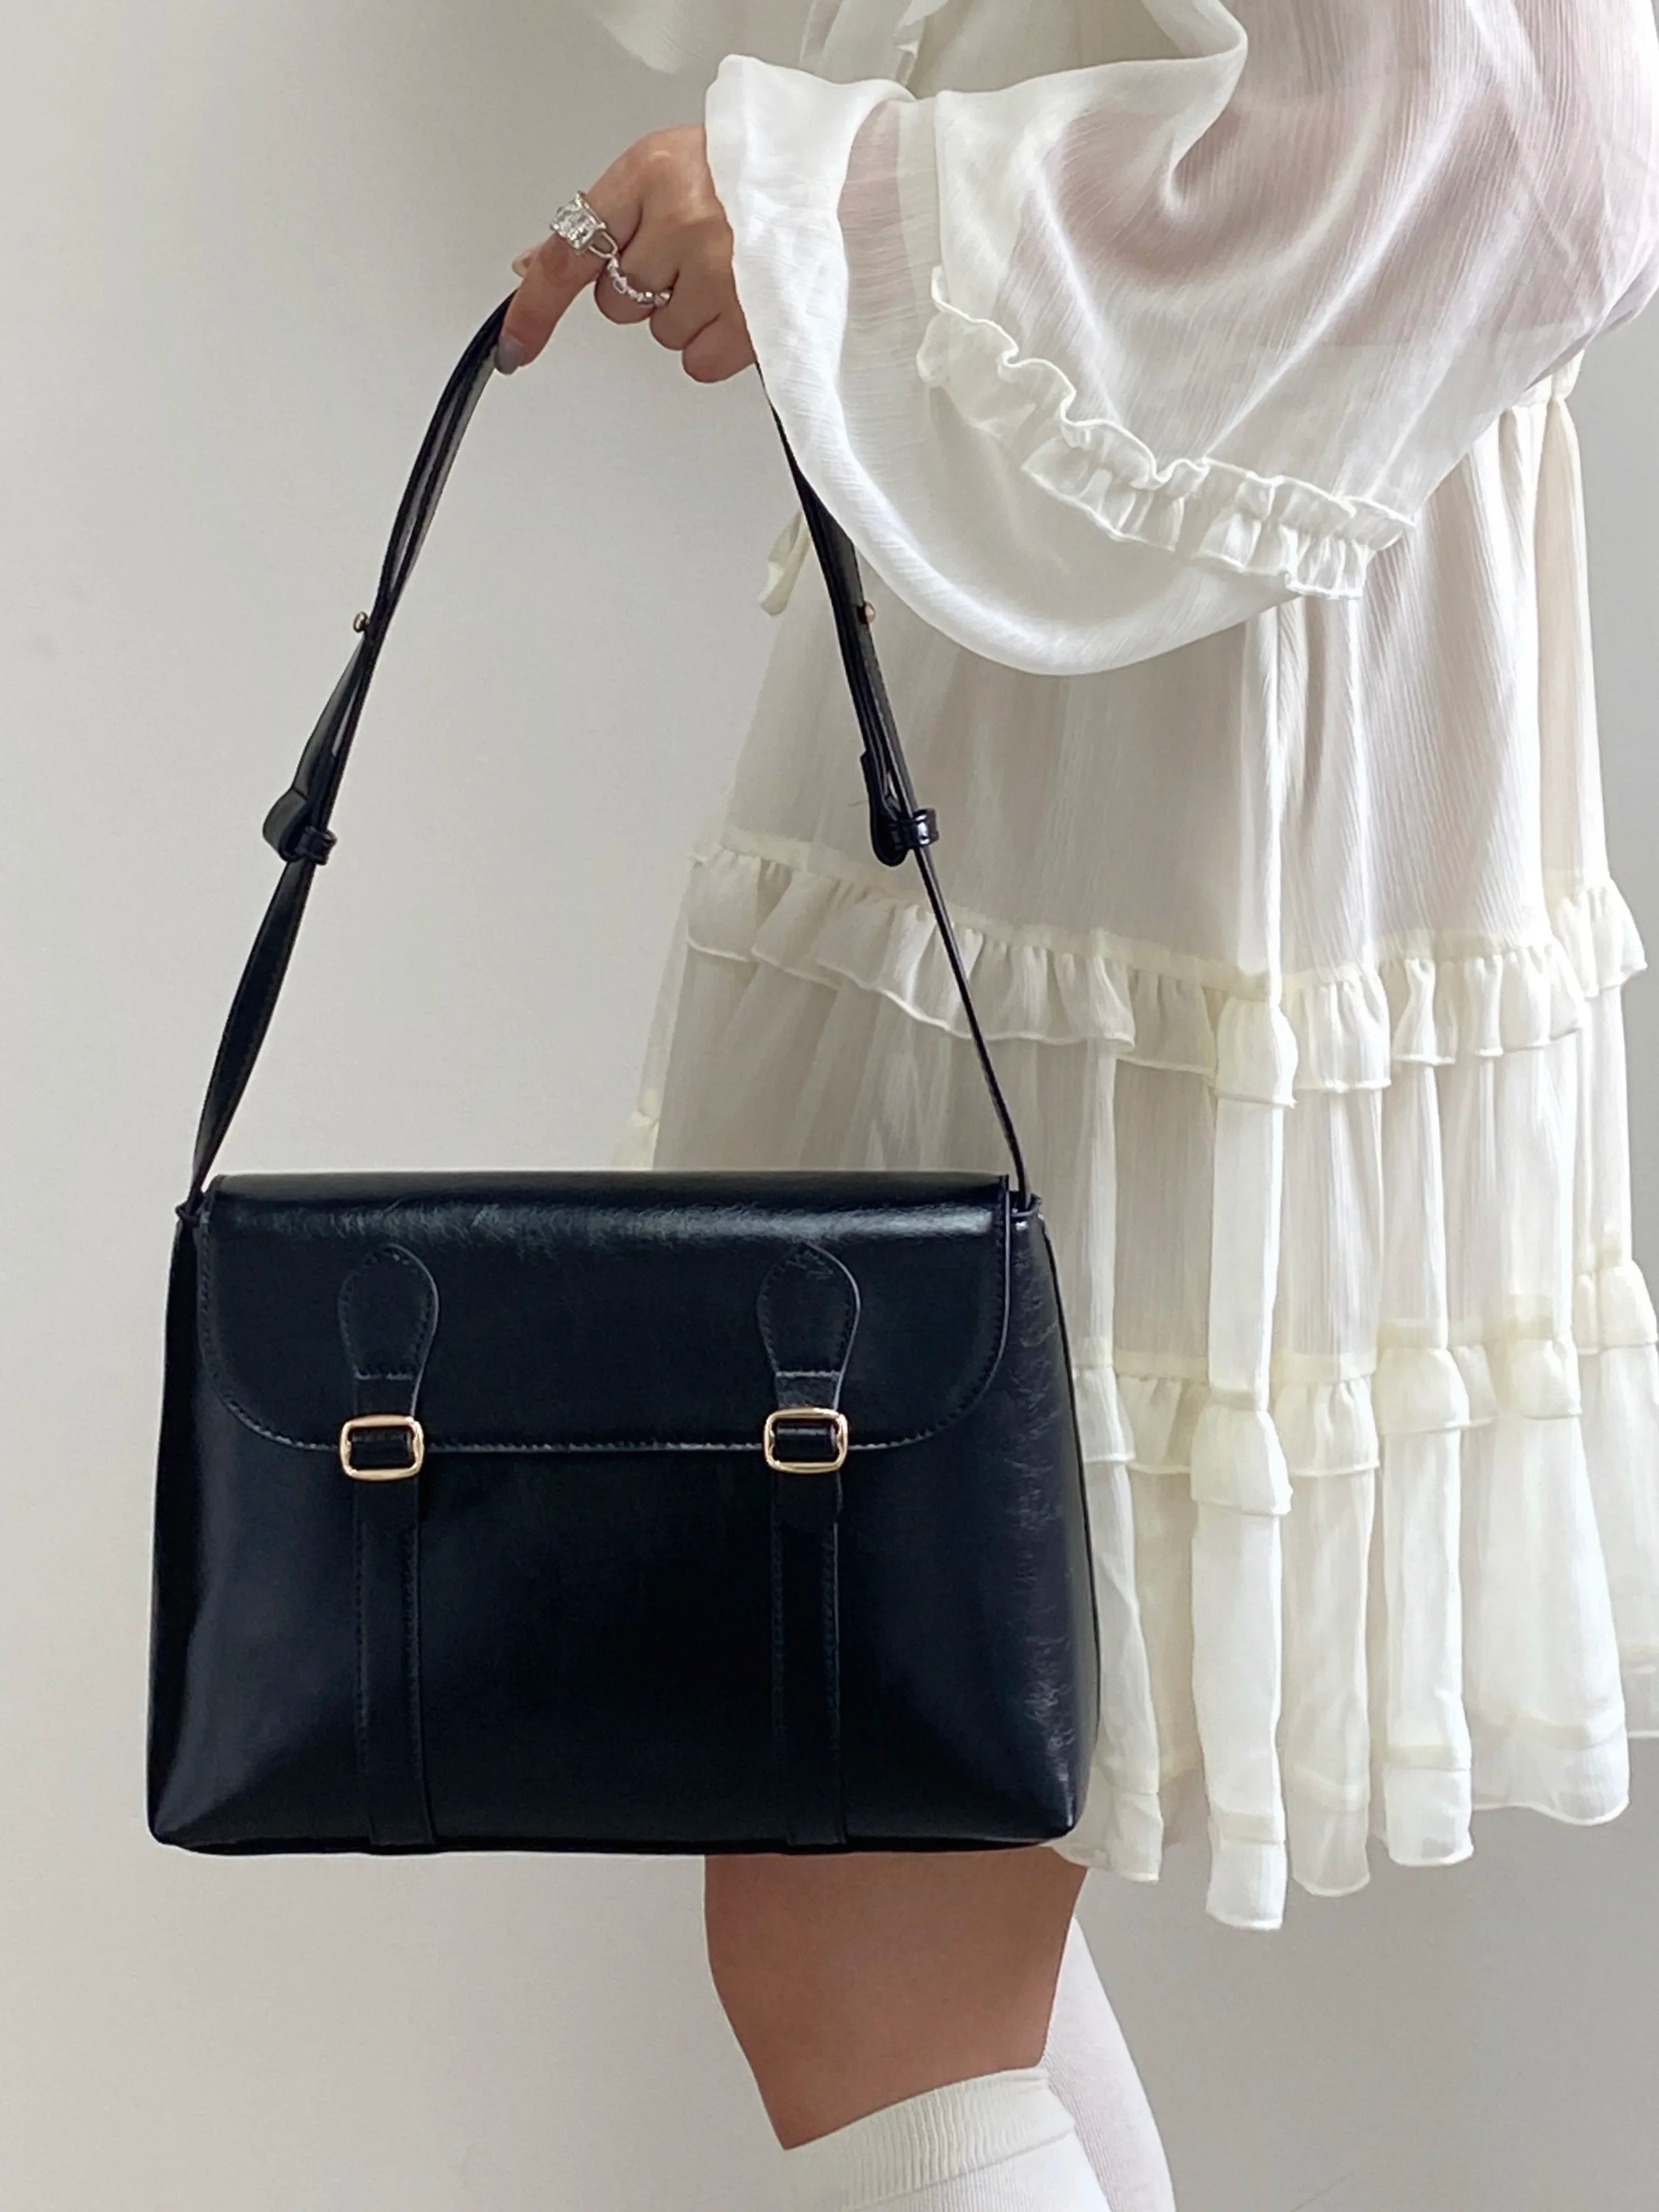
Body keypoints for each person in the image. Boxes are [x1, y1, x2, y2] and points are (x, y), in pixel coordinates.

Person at [498, 4, 1659, 2207]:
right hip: (1102, 687)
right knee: (901, 1857)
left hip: (1165, 758)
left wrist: (846, 207)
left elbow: (1557, 142)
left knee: (862, 1868)